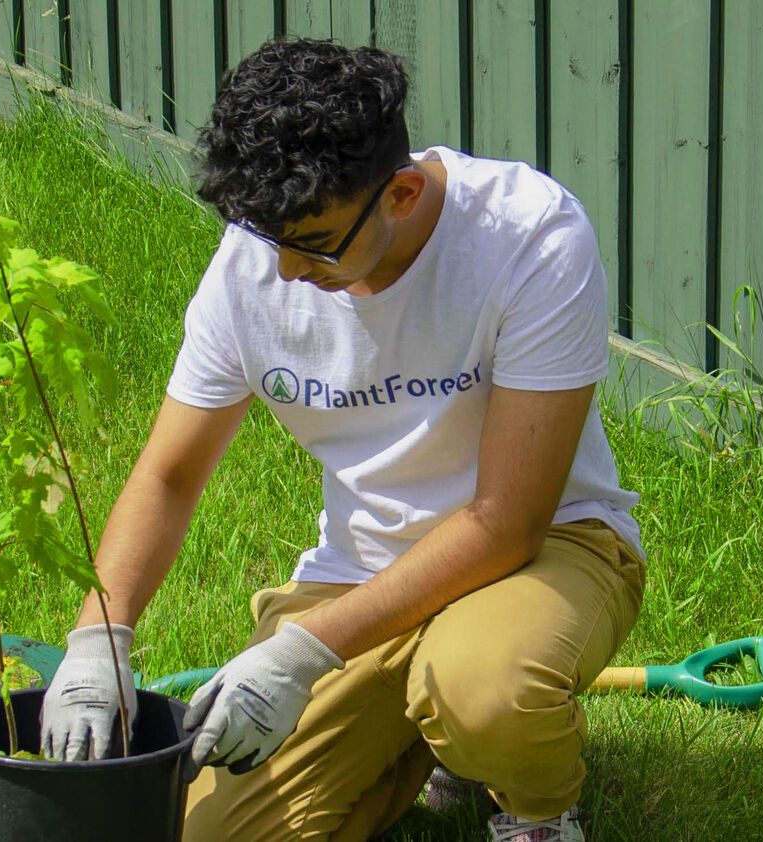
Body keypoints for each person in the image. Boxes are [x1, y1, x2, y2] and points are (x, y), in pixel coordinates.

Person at [36, 39, 645, 842]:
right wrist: (99, 639)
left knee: (484, 687)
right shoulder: (253, 268)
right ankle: (425, 742)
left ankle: (535, 804)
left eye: (314, 241)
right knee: (219, 835)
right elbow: (170, 476)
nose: (287, 272)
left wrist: (304, 651)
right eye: (268, 236)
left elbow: (507, 522)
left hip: (550, 548)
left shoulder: (527, 237)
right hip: (363, 575)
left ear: (399, 193)